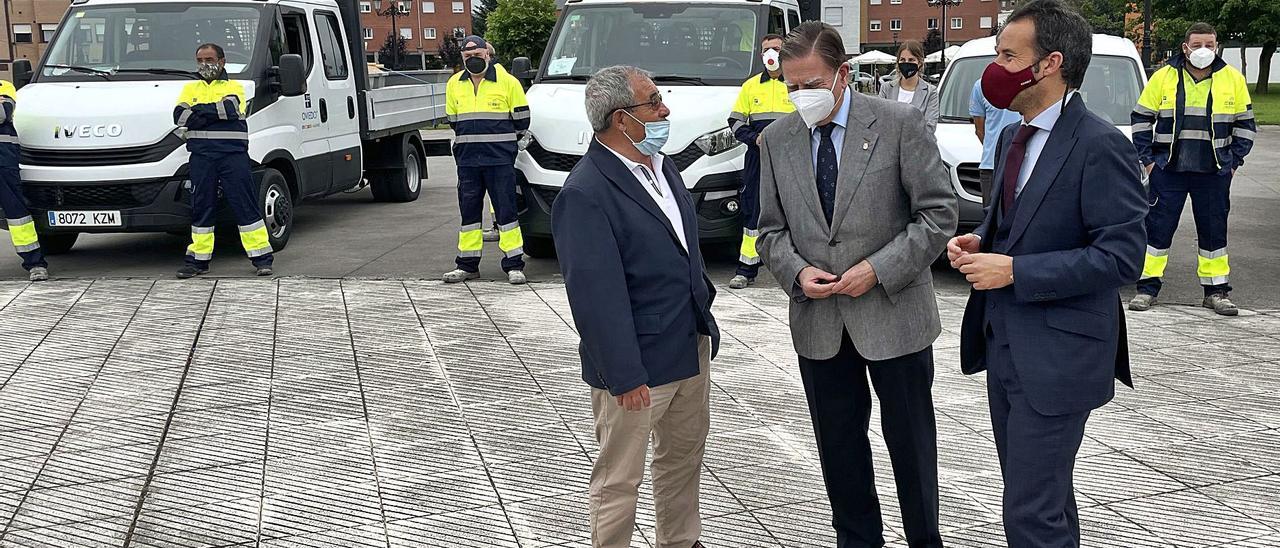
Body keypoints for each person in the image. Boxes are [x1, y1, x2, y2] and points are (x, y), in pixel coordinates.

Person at [947, 1, 1147, 545]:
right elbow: (1020, 224)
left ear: (1050, 63)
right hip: (1005, 346)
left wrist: (1015, 271)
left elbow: (1122, 257)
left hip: (1060, 359)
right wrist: (980, 242)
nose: (996, 67)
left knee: (1030, 514)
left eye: (1008, 55)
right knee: (1044, 498)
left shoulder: (1101, 145)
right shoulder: (1015, 135)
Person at [756, 22, 956, 548]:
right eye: (792, 87)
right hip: (820, 323)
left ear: (842, 75)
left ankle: (923, 538)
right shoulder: (775, 141)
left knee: (911, 446)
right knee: (838, 446)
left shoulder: (899, 124)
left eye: (812, 85)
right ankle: (858, 538)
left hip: (894, 315)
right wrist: (796, 272)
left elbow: (937, 214)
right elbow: (769, 232)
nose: (801, 96)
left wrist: (879, 269)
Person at [553, 65, 720, 548]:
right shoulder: (585, 192)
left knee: (683, 459)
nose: (665, 109)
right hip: (637, 366)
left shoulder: (663, 166)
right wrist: (623, 374)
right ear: (621, 119)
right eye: (653, 102)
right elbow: (593, 295)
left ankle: (681, 541)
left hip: (689, 345)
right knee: (619, 478)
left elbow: (683, 247)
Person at [1129, 22, 1255, 316]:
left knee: (1214, 234)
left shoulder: (1232, 79)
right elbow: (1141, 118)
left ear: (1217, 46)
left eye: (1209, 45)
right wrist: (1148, 160)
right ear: (1185, 47)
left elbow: (1246, 126)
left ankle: (1216, 292)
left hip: (1213, 173)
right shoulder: (1163, 77)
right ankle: (1147, 288)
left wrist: (1233, 162)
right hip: (1168, 170)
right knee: (1157, 229)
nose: (1203, 51)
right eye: (1197, 45)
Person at [172, 43, 274, 279]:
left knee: (245, 205)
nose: (205, 64)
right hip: (201, 158)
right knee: (201, 208)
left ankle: (262, 259)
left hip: (232, 156)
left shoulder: (235, 86)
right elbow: (179, 115)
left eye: (209, 59)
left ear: (222, 61)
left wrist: (198, 112)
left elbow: (228, 109)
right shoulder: (190, 87)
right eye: (200, 60)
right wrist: (210, 113)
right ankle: (198, 261)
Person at [443, 35, 529, 284]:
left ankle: (514, 266)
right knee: (469, 215)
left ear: (488, 55)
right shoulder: (454, 84)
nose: (473, 60)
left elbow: (522, 120)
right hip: (468, 162)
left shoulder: (508, 83)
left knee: (507, 213)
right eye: (467, 57)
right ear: (462, 58)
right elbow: (453, 121)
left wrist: (503, 148)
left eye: (477, 56)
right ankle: (467, 266)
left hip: (499, 160)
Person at [726, 33, 794, 289]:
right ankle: (746, 269)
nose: (771, 54)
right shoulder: (751, 86)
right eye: (766, 49)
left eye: (776, 48)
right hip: (757, 158)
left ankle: (794, 269)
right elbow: (734, 122)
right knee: (753, 210)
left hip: (790, 158)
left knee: (794, 210)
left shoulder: (795, 83)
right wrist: (754, 139)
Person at [0, 80, 49, 282]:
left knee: (18, 215)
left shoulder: (4, 86)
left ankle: (35, 264)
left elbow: (2, 113)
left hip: (3, 162)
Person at [969, 79, 1022, 206]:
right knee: (990, 219)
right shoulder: (981, 86)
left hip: (1023, 164)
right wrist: (998, 151)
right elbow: (979, 130)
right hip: (991, 166)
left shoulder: (1031, 82)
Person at [878, 40, 940, 133]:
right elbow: (879, 121)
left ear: (919, 63)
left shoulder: (930, 92)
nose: (906, 63)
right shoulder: (886, 89)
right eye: (902, 60)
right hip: (890, 146)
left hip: (918, 146)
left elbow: (929, 128)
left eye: (911, 60)